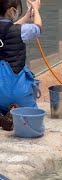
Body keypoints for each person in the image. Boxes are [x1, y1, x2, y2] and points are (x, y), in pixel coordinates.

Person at [0, 0, 42, 128]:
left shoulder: (12, 29)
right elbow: (38, 28)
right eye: (18, 10)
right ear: (12, 11)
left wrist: (26, 16)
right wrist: (36, 10)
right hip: (19, 90)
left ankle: (4, 114)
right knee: (35, 119)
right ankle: (19, 114)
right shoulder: (21, 30)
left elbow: (10, 28)